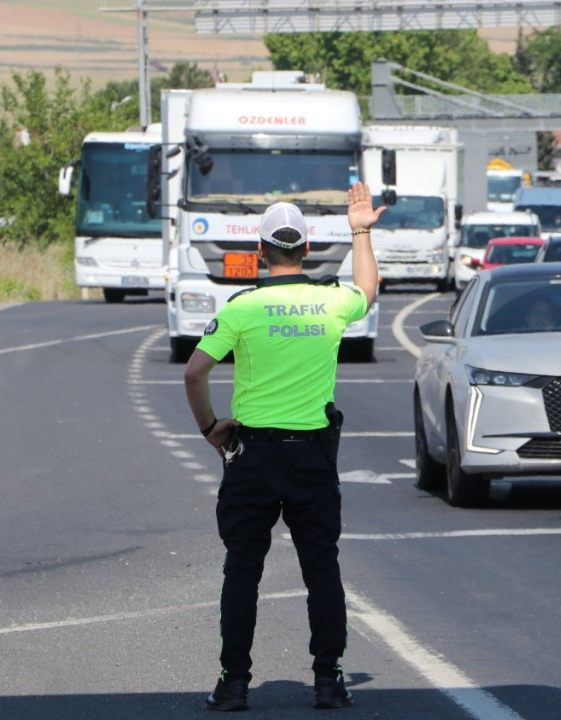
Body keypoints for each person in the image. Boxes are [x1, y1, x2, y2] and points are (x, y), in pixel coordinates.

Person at [184, 186, 384, 712]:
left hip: (251, 457)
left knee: (243, 570)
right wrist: (361, 229)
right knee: (322, 568)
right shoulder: (331, 301)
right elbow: (369, 287)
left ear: (260, 251)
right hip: (312, 457)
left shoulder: (243, 309)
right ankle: (327, 680)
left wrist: (210, 427)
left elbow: (194, 371)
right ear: (307, 250)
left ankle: (233, 684)